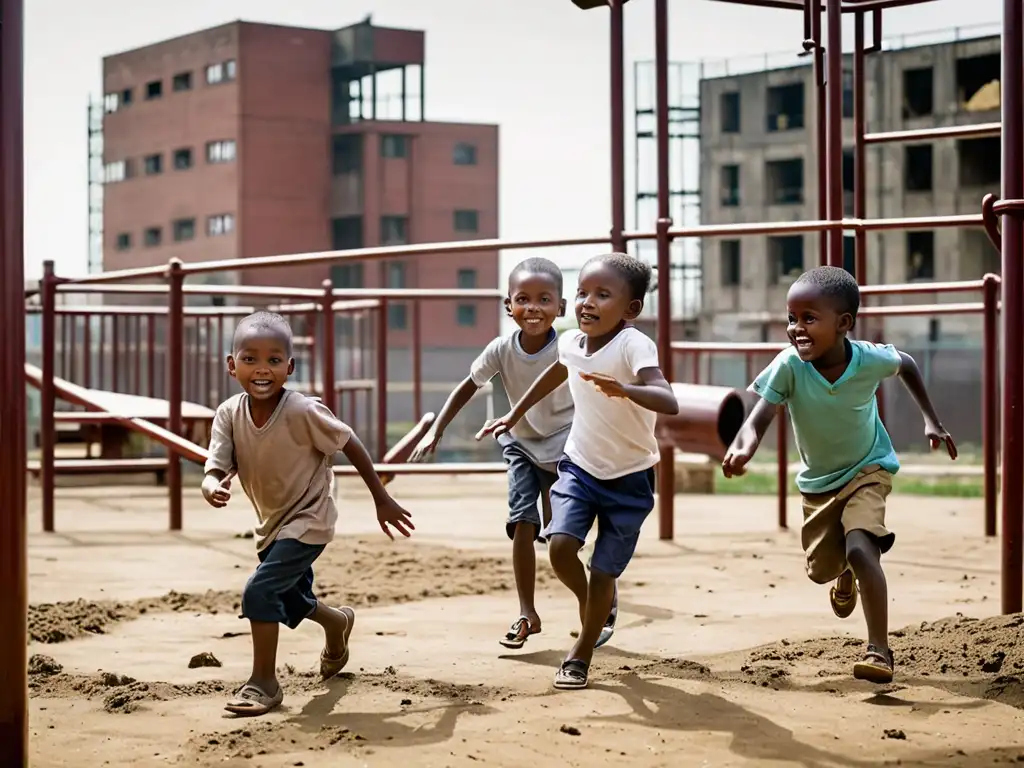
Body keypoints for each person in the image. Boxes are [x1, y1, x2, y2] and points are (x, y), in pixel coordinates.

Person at [722, 266, 956, 685]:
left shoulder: (869, 358)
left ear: (844, 323)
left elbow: (907, 363)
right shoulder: (789, 366)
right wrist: (743, 445)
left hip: (870, 467)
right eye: (792, 319)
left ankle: (879, 651)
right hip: (820, 484)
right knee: (823, 567)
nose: (796, 329)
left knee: (863, 548)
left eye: (809, 318)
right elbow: (759, 417)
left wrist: (931, 420)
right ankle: (843, 576)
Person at [477, 253, 679, 690]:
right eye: (584, 292)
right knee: (562, 547)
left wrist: (626, 389)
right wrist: (513, 413)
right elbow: (556, 373)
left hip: (630, 478)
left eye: (602, 295)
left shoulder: (633, 345)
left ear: (631, 309)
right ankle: (594, 604)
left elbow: (668, 399)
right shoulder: (570, 342)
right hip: (581, 467)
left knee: (605, 570)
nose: (588, 302)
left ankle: (581, 653)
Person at [202, 311, 414, 716]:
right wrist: (211, 484)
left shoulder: (302, 410)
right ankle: (336, 623)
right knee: (289, 596)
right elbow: (216, 465)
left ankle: (263, 683)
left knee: (259, 592)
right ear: (232, 366)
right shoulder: (229, 413)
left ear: (289, 367)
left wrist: (379, 497)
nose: (262, 369)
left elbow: (347, 440)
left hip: (310, 519)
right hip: (271, 523)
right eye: (249, 359)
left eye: (274, 360)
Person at [411, 257, 618, 650]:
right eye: (523, 299)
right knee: (522, 524)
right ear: (509, 306)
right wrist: (437, 429)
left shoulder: (573, 347)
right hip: (520, 443)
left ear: (561, 307)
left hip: (567, 447)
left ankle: (596, 596)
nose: (533, 308)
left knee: (563, 537)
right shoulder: (501, 349)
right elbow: (467, 386)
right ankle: (527, 613)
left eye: (544, 299)